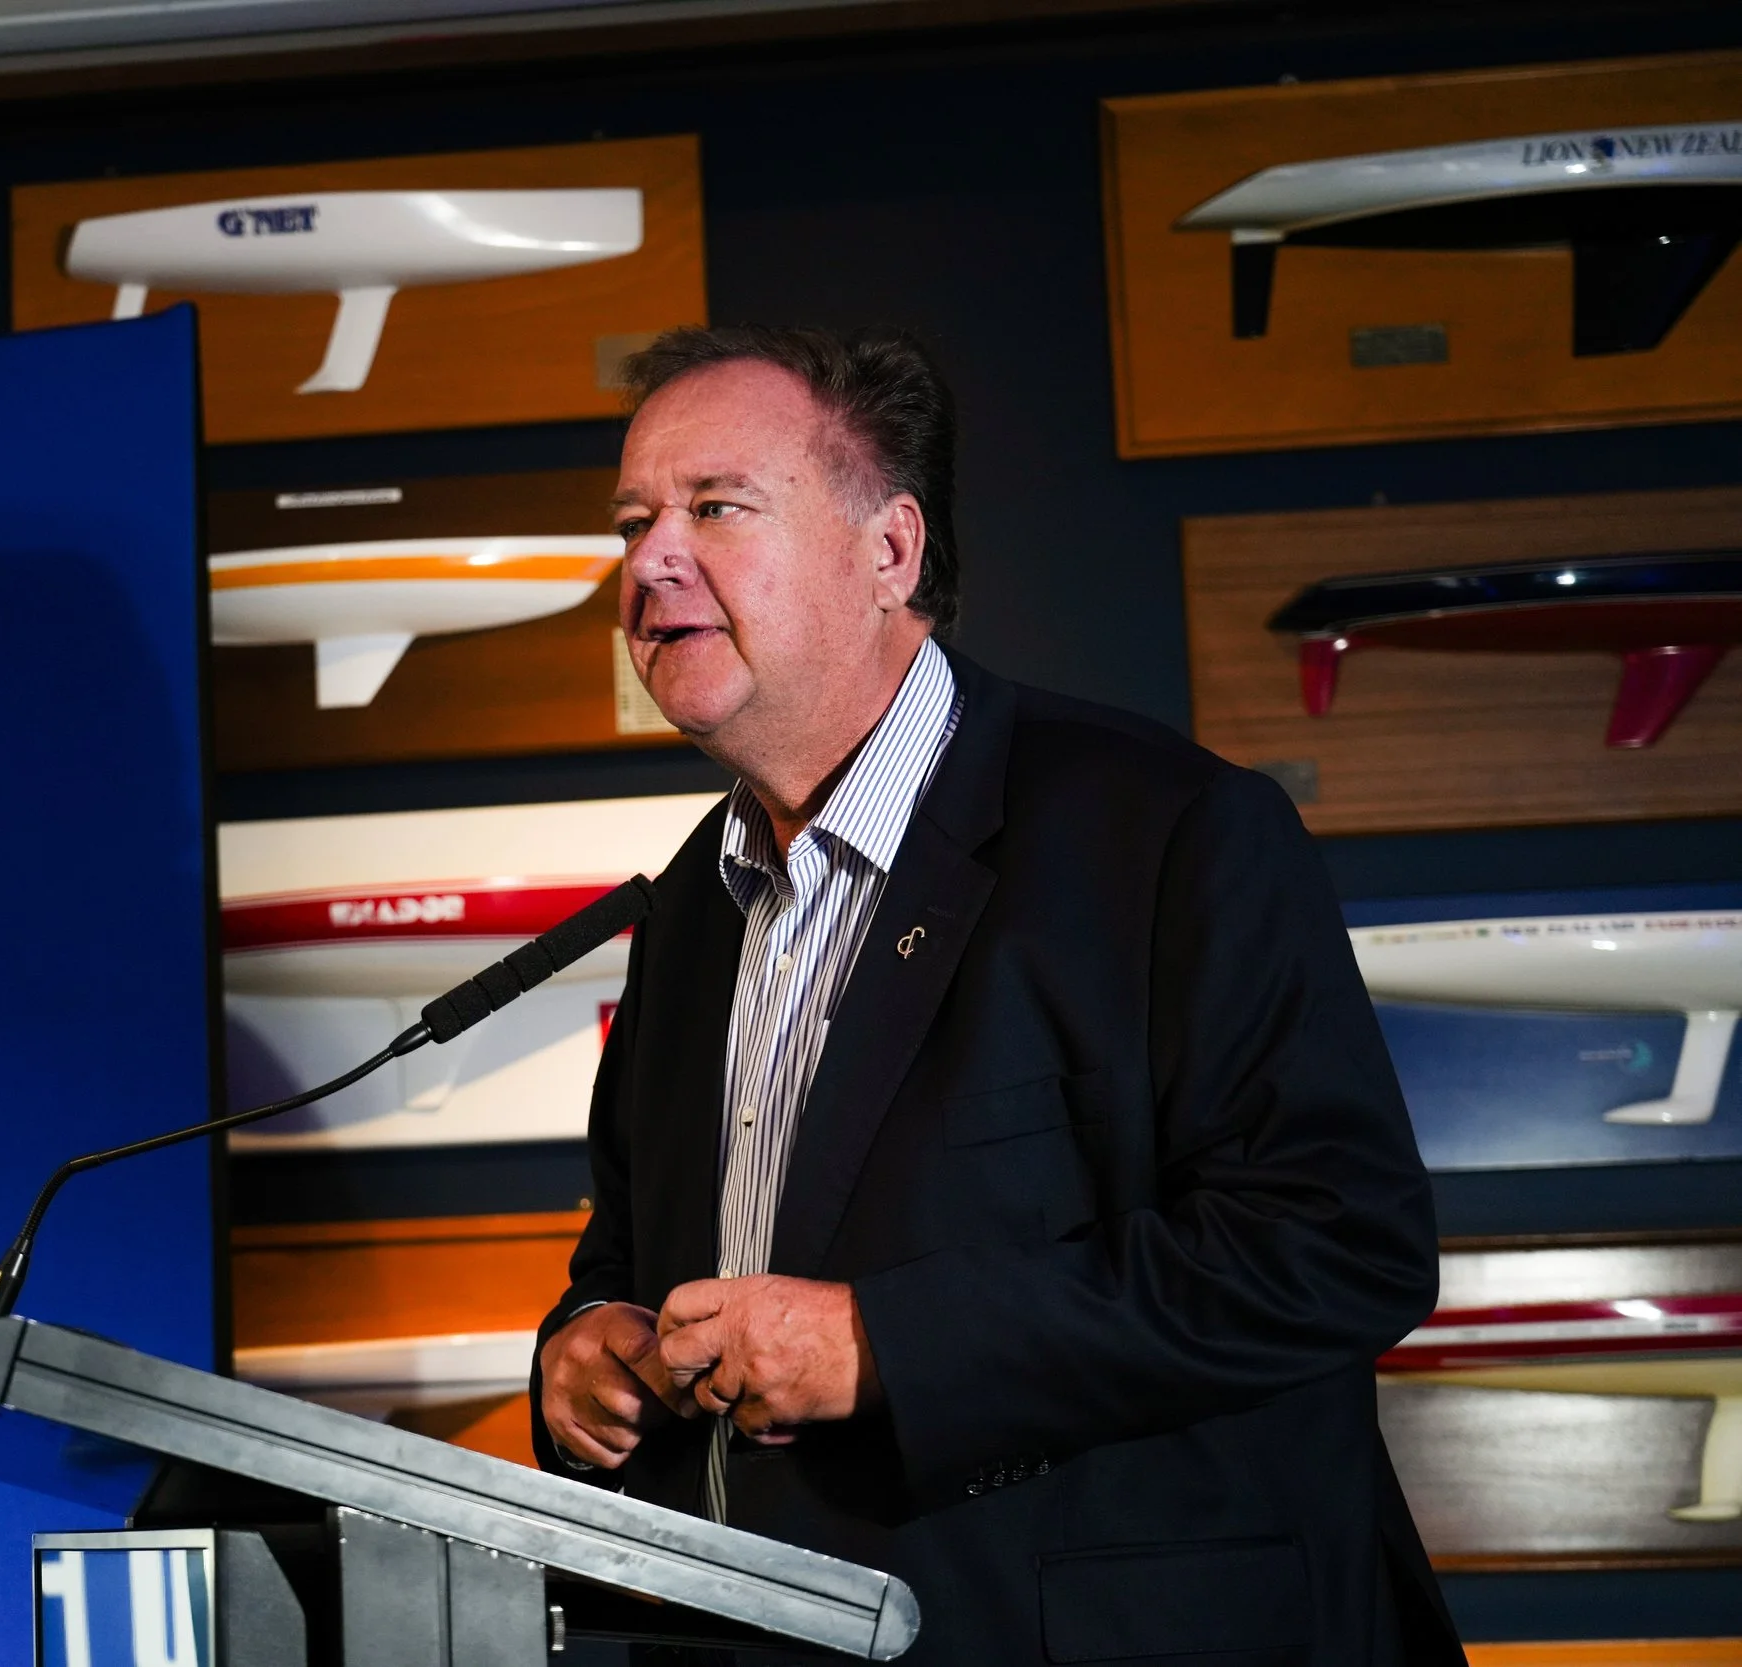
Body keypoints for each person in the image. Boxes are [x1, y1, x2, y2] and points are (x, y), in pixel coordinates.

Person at [530, 324, 1463, 1665]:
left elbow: (1335, 1245)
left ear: (889, 551)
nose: (651, 561)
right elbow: (621, 1267)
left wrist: (887, 1344)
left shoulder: (1169, 833)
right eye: (634, 521)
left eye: (716, 508)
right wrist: (581, 1362)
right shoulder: (684, 912)